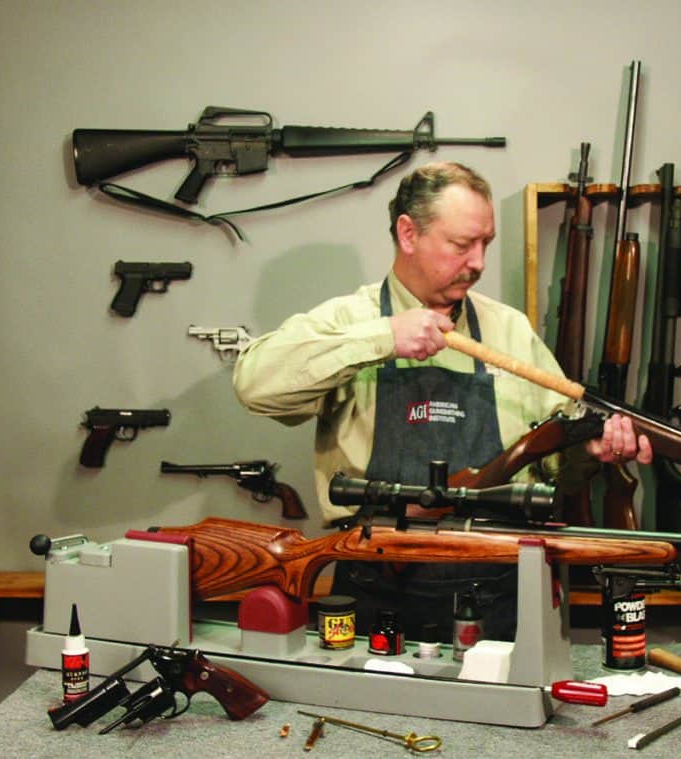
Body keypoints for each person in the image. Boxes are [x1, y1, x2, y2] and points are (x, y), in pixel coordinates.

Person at [233, 161, 651, 642]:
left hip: (498, 587)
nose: (478, 262)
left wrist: (589, 454)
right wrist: (381, 338)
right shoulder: (352, 319)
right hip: (375, 582)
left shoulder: (509, 331)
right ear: (408, 234)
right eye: (461, 244)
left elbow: (556, 469)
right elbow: (254, 385)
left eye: (485, 244)